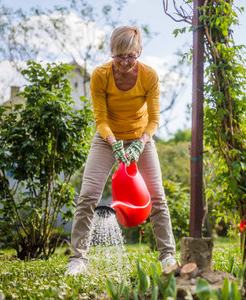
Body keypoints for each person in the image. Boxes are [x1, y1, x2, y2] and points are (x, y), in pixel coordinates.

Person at [65, 26, 177, 275]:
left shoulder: (149, 75)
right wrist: (114, 143)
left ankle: (168, 256)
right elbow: (101, 118)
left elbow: (155, 119)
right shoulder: (100, 75)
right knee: (88, 196)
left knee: (157, 197)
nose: (125, 62)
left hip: (141, 138)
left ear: (139, 52)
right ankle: (78, 259)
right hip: (107, 139)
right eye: (119, 56)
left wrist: (141, 141)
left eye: (131, 56)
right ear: (111, 52)